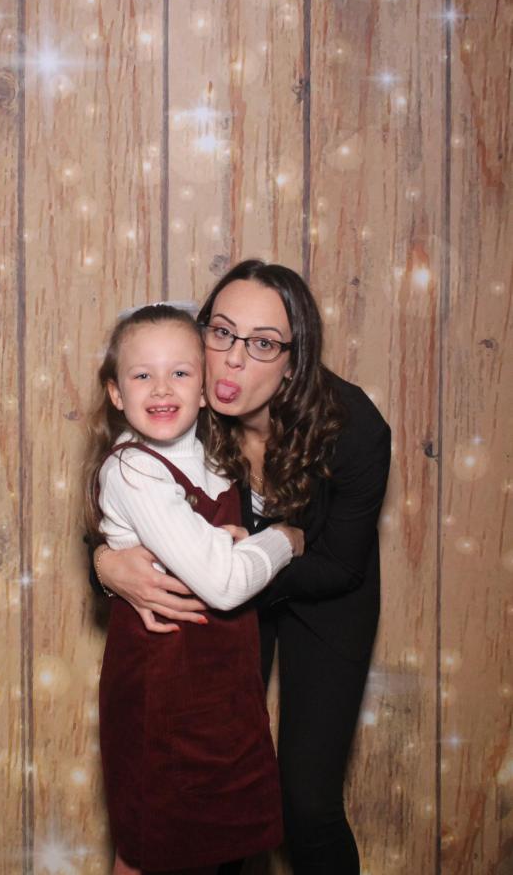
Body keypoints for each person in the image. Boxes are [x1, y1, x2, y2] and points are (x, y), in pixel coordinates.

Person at [94, 261, 392, 875]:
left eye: (262, 343)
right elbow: (120, 502)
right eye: (222, 332)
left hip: (322, 591)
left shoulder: (354, 426)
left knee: (306, 802)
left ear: (294, 360)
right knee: (220, 798)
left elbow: (339, 564)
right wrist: (106, 564)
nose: (232, 359)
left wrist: (257, 553)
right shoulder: (182, 397)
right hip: (223, 598)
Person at [84, 303, 301, 875]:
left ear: (205, 389)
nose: (162, 388)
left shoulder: (215, 460)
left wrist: (243, 540)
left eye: (180, 372)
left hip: (225, 694)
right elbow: (226, 584)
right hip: (162, 695)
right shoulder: (132, 470)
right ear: (116, 393)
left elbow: (233, 545)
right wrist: (284, 540)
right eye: (142, 374)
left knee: (225, 849)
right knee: (150, 851)